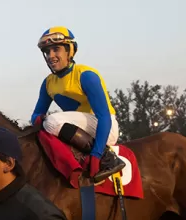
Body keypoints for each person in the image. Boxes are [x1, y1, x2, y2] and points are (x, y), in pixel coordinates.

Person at [31, 26, 125, 183]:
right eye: (47, 52)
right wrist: (38, 119)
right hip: (80, 129)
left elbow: (104, 117)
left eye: (56, 49)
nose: (51, 56)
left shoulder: (86, 76)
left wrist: (96, 154)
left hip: (105, 128)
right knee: (47, 126)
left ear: (70, 51)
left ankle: (107, 158)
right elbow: (35, 115)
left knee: (53, 121)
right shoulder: (48, 83)